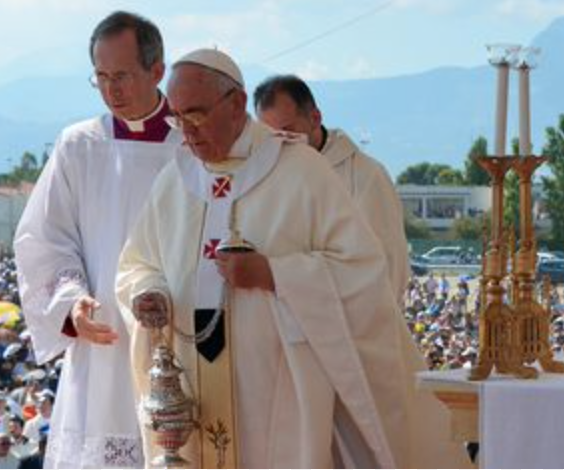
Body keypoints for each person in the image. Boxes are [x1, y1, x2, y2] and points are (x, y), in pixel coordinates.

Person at [116, 48, 469, 468]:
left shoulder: (300, 171)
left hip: (280, 389)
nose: (186, 132)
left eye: (196, 114)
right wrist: (148, 291)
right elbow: (138, 264)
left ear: (236, 104)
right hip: (194, 386)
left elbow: (365, 273)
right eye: (177, 117)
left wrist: (275, 274)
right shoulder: (175, 179)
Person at [14, 10, 180, 468]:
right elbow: (42, 239)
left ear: (157, 70)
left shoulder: (192, 145)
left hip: (179, 337)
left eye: (123, 76)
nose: (112, 90)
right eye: (101, 77)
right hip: (103, 340)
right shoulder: (78, 145)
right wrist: (70, 303)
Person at [253, 74, 410, 301]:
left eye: (288, 131)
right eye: (271, 135)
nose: (280, 142)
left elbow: (389, 266)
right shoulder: (264, 176)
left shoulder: (365, 177)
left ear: (315, 118)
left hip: (351, 323)